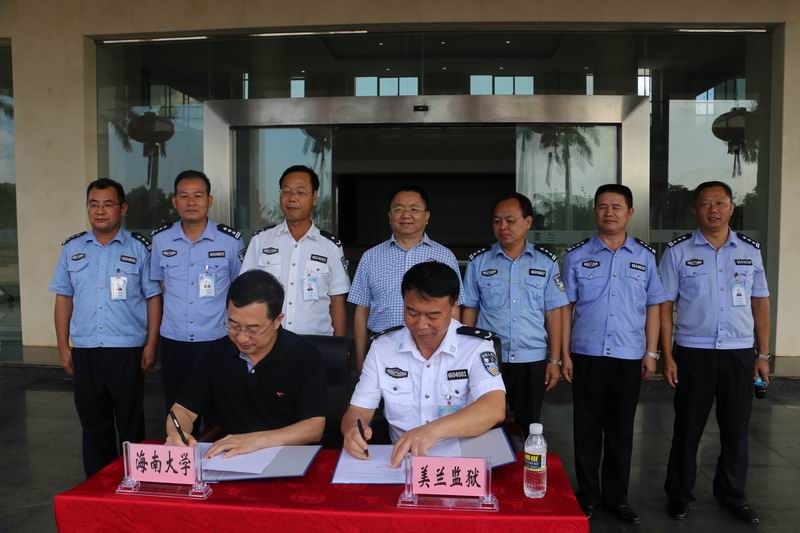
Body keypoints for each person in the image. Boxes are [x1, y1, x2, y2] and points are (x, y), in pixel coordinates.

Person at [659, 181, 770, 525]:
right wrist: (667, 356)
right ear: (695, 209)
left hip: (739, 353)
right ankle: (679, 494)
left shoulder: (750, 251)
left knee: (736, 430)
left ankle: (733, 495)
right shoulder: (677, 251)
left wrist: (763, 355)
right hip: (693, 353)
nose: (713, 209)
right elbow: (664, 307)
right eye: (706, 203)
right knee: (687, 429)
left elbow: (760, 303)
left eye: (720, 202)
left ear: (732, 208)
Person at [561, 184, 666, 523]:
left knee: (621, 430)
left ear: (629, 213)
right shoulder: (576, 256)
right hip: (586, 354)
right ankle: (588, 494)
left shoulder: (645, 257)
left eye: (616, 207)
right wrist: (564, 354)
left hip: (627, 356)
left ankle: (617, 497)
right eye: (602, 206)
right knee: (586, 429)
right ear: (595, 210)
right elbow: (566, 308)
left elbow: (653, 307)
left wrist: (651, 352)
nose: (609, 212)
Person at [341, 261, 505, 467]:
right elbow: (358, 410)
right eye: (412, 312)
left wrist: (432, 431)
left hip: (461, 464)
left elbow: (494, 407)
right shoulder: (383, 347)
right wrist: (352, 430)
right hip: (402, 463)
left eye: (433, 315)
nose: (421, 325)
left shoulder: (475, 346)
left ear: (454, 305)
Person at [49, 178, 162, 478]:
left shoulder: (140, 248)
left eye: (108, 204)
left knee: (130, 423)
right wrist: (63, 346)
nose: (100, 211)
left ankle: (134, 482)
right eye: (94, 204)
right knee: (93, 424)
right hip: (86, 351)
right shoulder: (72, 248)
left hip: (126, 351)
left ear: (122, 208)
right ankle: (98, 485)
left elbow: (153, 297)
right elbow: (63, 298)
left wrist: (151, 344)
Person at [165, 269, 327, 458]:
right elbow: (183, 409)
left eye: (253, 329)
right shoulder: (214, 353)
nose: (241, 338)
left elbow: (314, 427)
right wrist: (177, 433)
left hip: (287, 458)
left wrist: (256, 441)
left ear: (277, 320)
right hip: (228, 458)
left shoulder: (304, 355)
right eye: (233, 326)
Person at [462, 192, 568, 439]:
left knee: (529, 427)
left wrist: (554, 361)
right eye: (497, 221)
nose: (503, 227)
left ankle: (525, 465)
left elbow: (554, 313)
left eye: (510, 220)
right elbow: (470, 310)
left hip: (532, 359)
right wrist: (465, 355)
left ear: (528, 222)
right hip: (489, 359)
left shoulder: (545, 263)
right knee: (486, 427)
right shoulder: (479, 262)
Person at [150, 170, 244, 414]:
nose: (191, 202)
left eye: (198, 196)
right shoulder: (160, 240)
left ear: (209, 200)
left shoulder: (231, 241)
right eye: (184, 196)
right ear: (174, 201)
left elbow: (239, 291)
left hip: (217, 340)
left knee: (217, 411)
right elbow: (160, 287)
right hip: (174, 342)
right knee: (177, 410)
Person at [348, 185, 462, 371]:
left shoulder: (445, 256)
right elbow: (361, 312)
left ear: (427, 216)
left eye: (414, 209)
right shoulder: (370, 257)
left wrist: (455, 357)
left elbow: (454, 308)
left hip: (432, 348)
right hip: (382, 347)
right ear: (389, 216)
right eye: (398, 209)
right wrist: (361, 360)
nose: (406, 215)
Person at [241, 165, 350, 336]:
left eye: (300, 192)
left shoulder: (330, 246)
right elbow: (246, 292)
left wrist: (340, 346)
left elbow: (337, 301)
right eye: (286, 191)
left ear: (314, 197)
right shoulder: (260, 241)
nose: (292, 198)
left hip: (316, 342)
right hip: (268, 341)